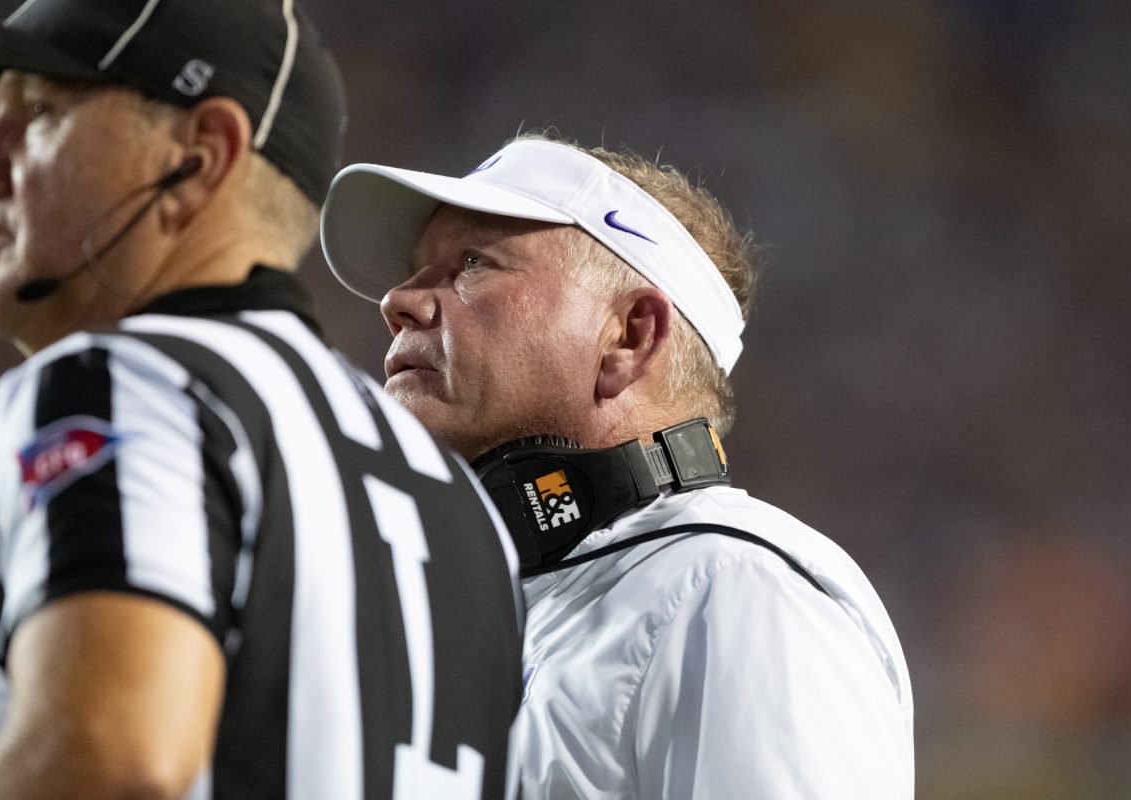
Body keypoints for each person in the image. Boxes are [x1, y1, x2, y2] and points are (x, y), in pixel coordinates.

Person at [0, 2, 523, 798]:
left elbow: (110, 755)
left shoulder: (123, 380)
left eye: (42, 114)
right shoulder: (459, 501)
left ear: (199, 158)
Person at [319, 133, 916, 798]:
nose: (399, 301)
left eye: (473, 264)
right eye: (416, 269)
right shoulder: (481, 615)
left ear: (630, 336)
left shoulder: (731, 592)